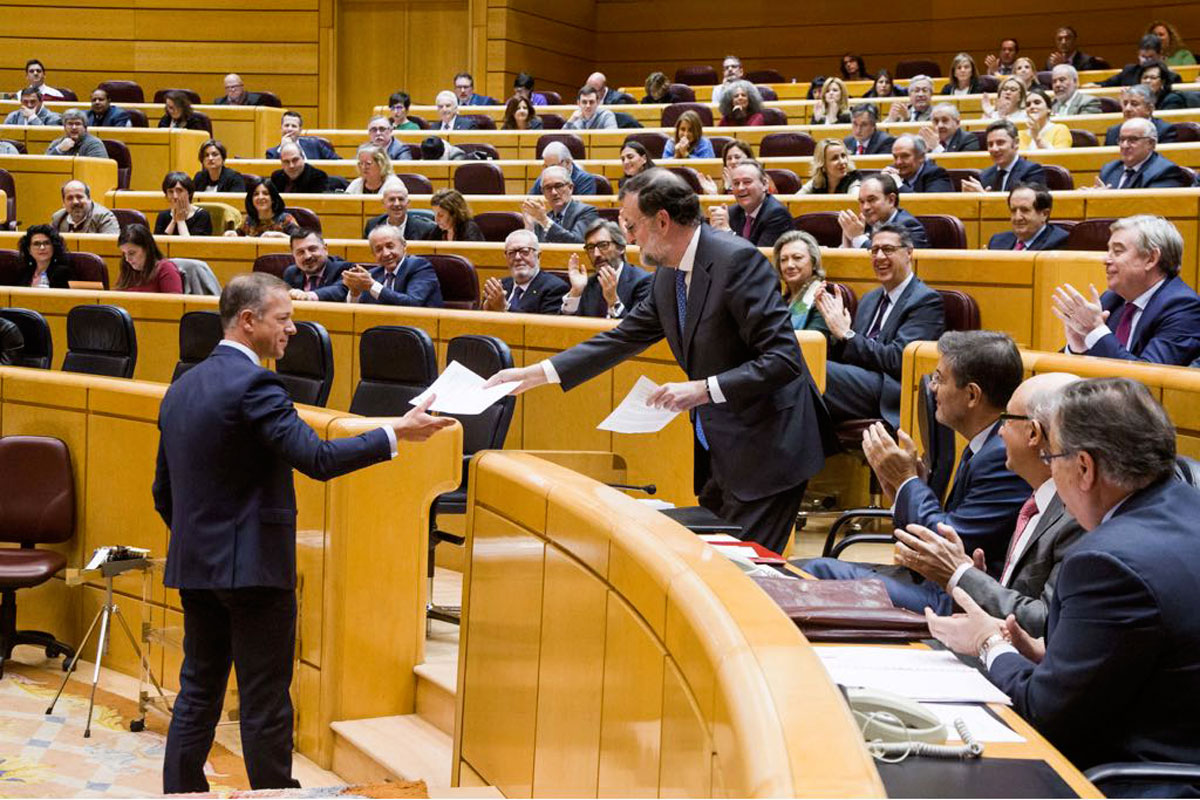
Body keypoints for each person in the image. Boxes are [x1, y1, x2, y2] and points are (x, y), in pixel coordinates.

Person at [154, 272, 452, 794]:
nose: (292, 329)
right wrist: (394, 432)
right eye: (284, 318)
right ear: (249, 322)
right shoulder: (256, 384)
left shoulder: (181, 387)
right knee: (265, 699)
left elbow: (163, 491)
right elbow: (316, 458)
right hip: (252, 573)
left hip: (197, 566)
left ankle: (179, 793)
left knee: (197, 690)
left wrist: (202, 543)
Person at [484, 168, 835, 554]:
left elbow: (784, 359)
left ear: (663, 221)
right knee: (715, 564)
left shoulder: (736, 261)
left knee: (745, 572)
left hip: (771, 444)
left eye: (632, 226)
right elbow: (623, 337)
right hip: (722, 445)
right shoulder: (668, 274)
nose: (629, 239)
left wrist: (703, 390)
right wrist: (538, 373)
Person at [924, 378, 1200, 779]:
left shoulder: (1106, 561)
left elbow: (1044, 717)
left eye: (1052, 458)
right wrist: (1049, 654)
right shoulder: (1188, 504)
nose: (1050, 470)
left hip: (1140, 776)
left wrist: (989, 643)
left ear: (1084, 467)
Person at [806, 330, 1032, 587]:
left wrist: (906, 482)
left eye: (939, 378)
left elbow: (942, 541)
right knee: (805, 570)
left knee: (816, 571)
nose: (932, 387)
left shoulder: (1000, 457)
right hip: (936, 582)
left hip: (956, 600)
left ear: (972, 395)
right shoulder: (984, 445)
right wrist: (903, 490)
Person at [894, 371, 1083, 633]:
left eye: (1006, 420)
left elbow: (1044, 623)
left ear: (1033, 433)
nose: (1001, 432)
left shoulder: (1076, 516)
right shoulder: (1040, 497)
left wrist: (961, 575)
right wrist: (977, 578)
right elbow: (1018, 592)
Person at [819, 224, 944, 428]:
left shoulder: (926, 300)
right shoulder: (870, 298)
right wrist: (836, 333)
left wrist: (848, 335)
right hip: (859, 381)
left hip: (890, 390)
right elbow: (852, 351)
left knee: (814, 372)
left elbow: (899, 361)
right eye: (874, 250)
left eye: (887, 249)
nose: (879, 257)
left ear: (909, 253)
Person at [1052, 215, 1200, 366]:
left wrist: (1095, 331)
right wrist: (1078, 348)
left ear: (1151, 259)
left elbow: (1147, 380)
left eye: (1117, 251)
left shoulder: (1182, 307)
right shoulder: (1112, 299)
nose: (1105, 260)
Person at [326, 225, 442, 307]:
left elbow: (412, 303)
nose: (386, 253)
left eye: (390, 246)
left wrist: (371, 285)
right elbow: (360, 311)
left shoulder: (420, 267)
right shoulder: (375, 274)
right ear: (373, 254)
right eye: (379, 249)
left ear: (404, 246)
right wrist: (354, 292)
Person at [561, 219, 651, 319]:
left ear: (621, 248)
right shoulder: (588, 284)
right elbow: (565, 330)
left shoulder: (643, 282)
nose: (596, 254)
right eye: (591, 247)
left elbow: (638, 330)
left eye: (603, 245)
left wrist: (613, 301)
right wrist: (575, 292)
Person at [481, 229, 569, 314]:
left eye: (524, 251)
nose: (517, 257)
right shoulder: (499, 287)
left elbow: (544, 327)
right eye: (511, 253)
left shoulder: (555, 288)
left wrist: (505, 307)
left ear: (538, 255)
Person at [708, 161, 792, 248]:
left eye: (747, 182)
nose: (740, 188)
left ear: (764, 184)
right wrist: (715, 233)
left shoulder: (777, 214)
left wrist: (728, 233)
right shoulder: (731, 212)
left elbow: (758, 258)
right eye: (736, 183)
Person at [1094, 118, 1194, 189]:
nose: (1125, 145)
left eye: (1133, 140)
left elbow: (1149, 207)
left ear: (1151, 143)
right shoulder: (1109, 169)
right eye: (1122, 139)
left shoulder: (1165, 171)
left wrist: (1107, 200)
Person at [837, 174, 930, 248]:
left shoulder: (909, 226)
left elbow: (888, 260)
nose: (865, 207)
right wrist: (847, 238)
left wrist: (857, 238)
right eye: (861, 202)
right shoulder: (865, 225)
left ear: (891, 200)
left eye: (871, 200)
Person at [773, 230, 830, 340]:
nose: (789, 265)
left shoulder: (821, 301)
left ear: (813, 262)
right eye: (783, 260)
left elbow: (812, 346)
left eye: (797, 258)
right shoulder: (779, 301)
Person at [962, 120, 1046, 193]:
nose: (994, 149)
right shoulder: (985, 175)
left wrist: (985, 199)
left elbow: (1026, 207)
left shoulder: (1032, 171)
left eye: (1000, 143)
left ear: (1016, 143)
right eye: (990, 144)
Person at [523, 165, 599, 244]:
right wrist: (530, 227)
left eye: (558, 186)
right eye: (548, 188)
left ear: (570, 188)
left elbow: (577, 243)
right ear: (543, 193)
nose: (554, 192)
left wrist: (544, 220)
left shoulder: (587, 212)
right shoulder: (545, 217)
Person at [987, 183, 1071, 251]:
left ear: (1044, 214)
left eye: (1025, 210)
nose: (1017, 217)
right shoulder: (997, 242)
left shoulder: (1058, 242)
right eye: (1013, 210)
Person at [282, 230, 350, 300]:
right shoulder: (291, 273)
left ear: (325, 249)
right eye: (300, 252)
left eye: (312, 249)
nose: (307, 256)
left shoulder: (343, 269)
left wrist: (308, 296)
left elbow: (339, 290)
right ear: (293, 255)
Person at [115, 224, 183, 293]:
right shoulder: (127, 268)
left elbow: (174, 302)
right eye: (124, 253)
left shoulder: (166, 269)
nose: (127, 259)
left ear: (147, 249)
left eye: (132, 253)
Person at [1097, 34, 1181, 88]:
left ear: (1159, 56)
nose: (1147, 61)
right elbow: (1105, 84)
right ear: (1138, 55)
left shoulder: (1171, 76)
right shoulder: (1129, 71)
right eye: (1143, 57)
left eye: (1151, 57)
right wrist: (1095, 85)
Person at [362, 181, 437, 240]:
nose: (397, 204)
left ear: (408, 203)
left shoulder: (425, 229)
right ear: (383, 203)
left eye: (401, 199)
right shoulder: (372, 225)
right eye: (392, 199)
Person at [1102, 85, 1175, 145]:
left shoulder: (1164, 130)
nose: (1127, 109)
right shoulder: (1113, 132)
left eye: (1134, 104)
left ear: (1149, 109)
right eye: (1125, 104)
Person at [229, 182, 300, 239]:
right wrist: (232, 234)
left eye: (265, 193)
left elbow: (300, 240)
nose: (260, 197)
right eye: (256, 194)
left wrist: (281, 236)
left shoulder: (285, 219)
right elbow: (238, 235)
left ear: (273, 199)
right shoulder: (249, 221)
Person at [885, 134, 952, 193]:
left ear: (921, 157)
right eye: (895, 157)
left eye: (905, 156)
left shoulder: (937, 174)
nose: (898, 162)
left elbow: (930, 205)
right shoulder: (891, 172)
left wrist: (899, 185)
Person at [530, 141, 599, 197]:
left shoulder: (585, 180)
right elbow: (529, 203)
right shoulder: (542, 179)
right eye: (545, 166)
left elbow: (581, 211)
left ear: (568, 163)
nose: (548, 171)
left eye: (553, 166)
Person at [50, 180, 119, 234]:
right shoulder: (58, 218)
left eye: (79, 197)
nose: (75, 202)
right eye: (70, 198)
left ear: (89, 199)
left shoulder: (104, 218)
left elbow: (110, 248)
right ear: (64, 203)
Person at [155, 172, 214, 237]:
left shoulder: (202, 216)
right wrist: (174, 221)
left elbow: (191, 246)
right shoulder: (163, 216)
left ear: (189, 193)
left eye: (179, 190)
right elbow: (159, 245)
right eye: (170, 192)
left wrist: (180, 221)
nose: (175, 196)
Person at [265, 112, 338, 160]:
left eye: (294, 126)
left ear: (300, 130)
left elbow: (337, 163)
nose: (289, 129)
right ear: (281, 128)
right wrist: (283, 150)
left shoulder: (315, 144)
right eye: (286, 125)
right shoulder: (272, 153)